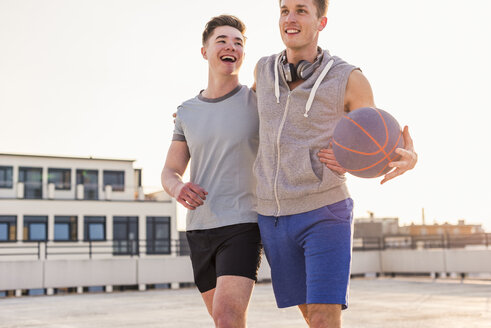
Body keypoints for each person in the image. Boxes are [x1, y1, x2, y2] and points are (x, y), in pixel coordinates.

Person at [252, 0, 418, 327]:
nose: (290, 18)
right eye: (285, 10)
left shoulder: (348, 78)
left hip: (325, 211)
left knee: (323, 319)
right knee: (312, 320)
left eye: (301, 10)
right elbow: (239, 113)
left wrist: (407, 157)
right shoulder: (263, 69)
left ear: (321, 22)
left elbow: (374, 137)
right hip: (272, 215)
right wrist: (195, 114)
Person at [161, 15, 262, 328]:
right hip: (200, 228)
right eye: (222, 40)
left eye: (238, 43)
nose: (231, 46)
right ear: (204, 51)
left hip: (244, 223)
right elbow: (169, 171)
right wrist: (178, 188)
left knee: (227, 317)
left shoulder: (258, 100)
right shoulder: (187, 111)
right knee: (224, 322)